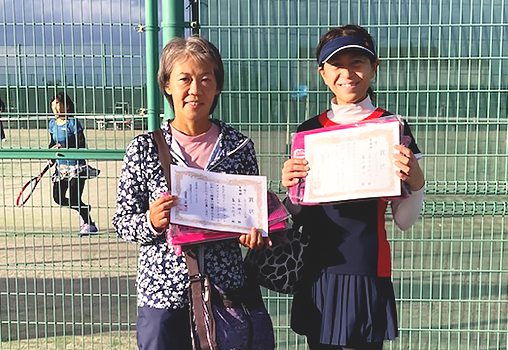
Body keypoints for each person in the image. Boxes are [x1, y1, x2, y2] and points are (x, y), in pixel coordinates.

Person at [112, 36, 272, 350]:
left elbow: (251, 216)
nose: (195, 89)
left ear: (217, 87)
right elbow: (121, 222)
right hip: (163, 296)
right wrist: (151, 221)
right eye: (184, 79)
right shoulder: (144, 149)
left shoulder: (238, 148)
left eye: (205, 79)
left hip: (226, 293)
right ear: (167, 85)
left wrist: (252, 235)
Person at [281, 25, 425, 350]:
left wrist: (417, 182)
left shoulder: (392, 127)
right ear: (322, 73)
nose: (348, 73)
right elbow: (297, 210)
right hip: (316, 266)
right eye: (336, 64)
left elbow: (404, 219)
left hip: (365, 265)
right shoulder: (308, 132)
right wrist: (289, 186)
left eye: (357, 61)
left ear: (375, 67)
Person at [48, 92, 98, 235]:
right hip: (61, 168)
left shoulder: (73, 123)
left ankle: (89, 224)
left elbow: (81, 143)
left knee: (75, 197)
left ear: (66, 105)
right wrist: (50, 154)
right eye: (53, 104)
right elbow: (52, 142)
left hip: (76, 167)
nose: (55, 107)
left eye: (57, 103)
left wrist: (64, 146)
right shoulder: (52, 124)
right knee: (58, 198)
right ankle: (83, 209)